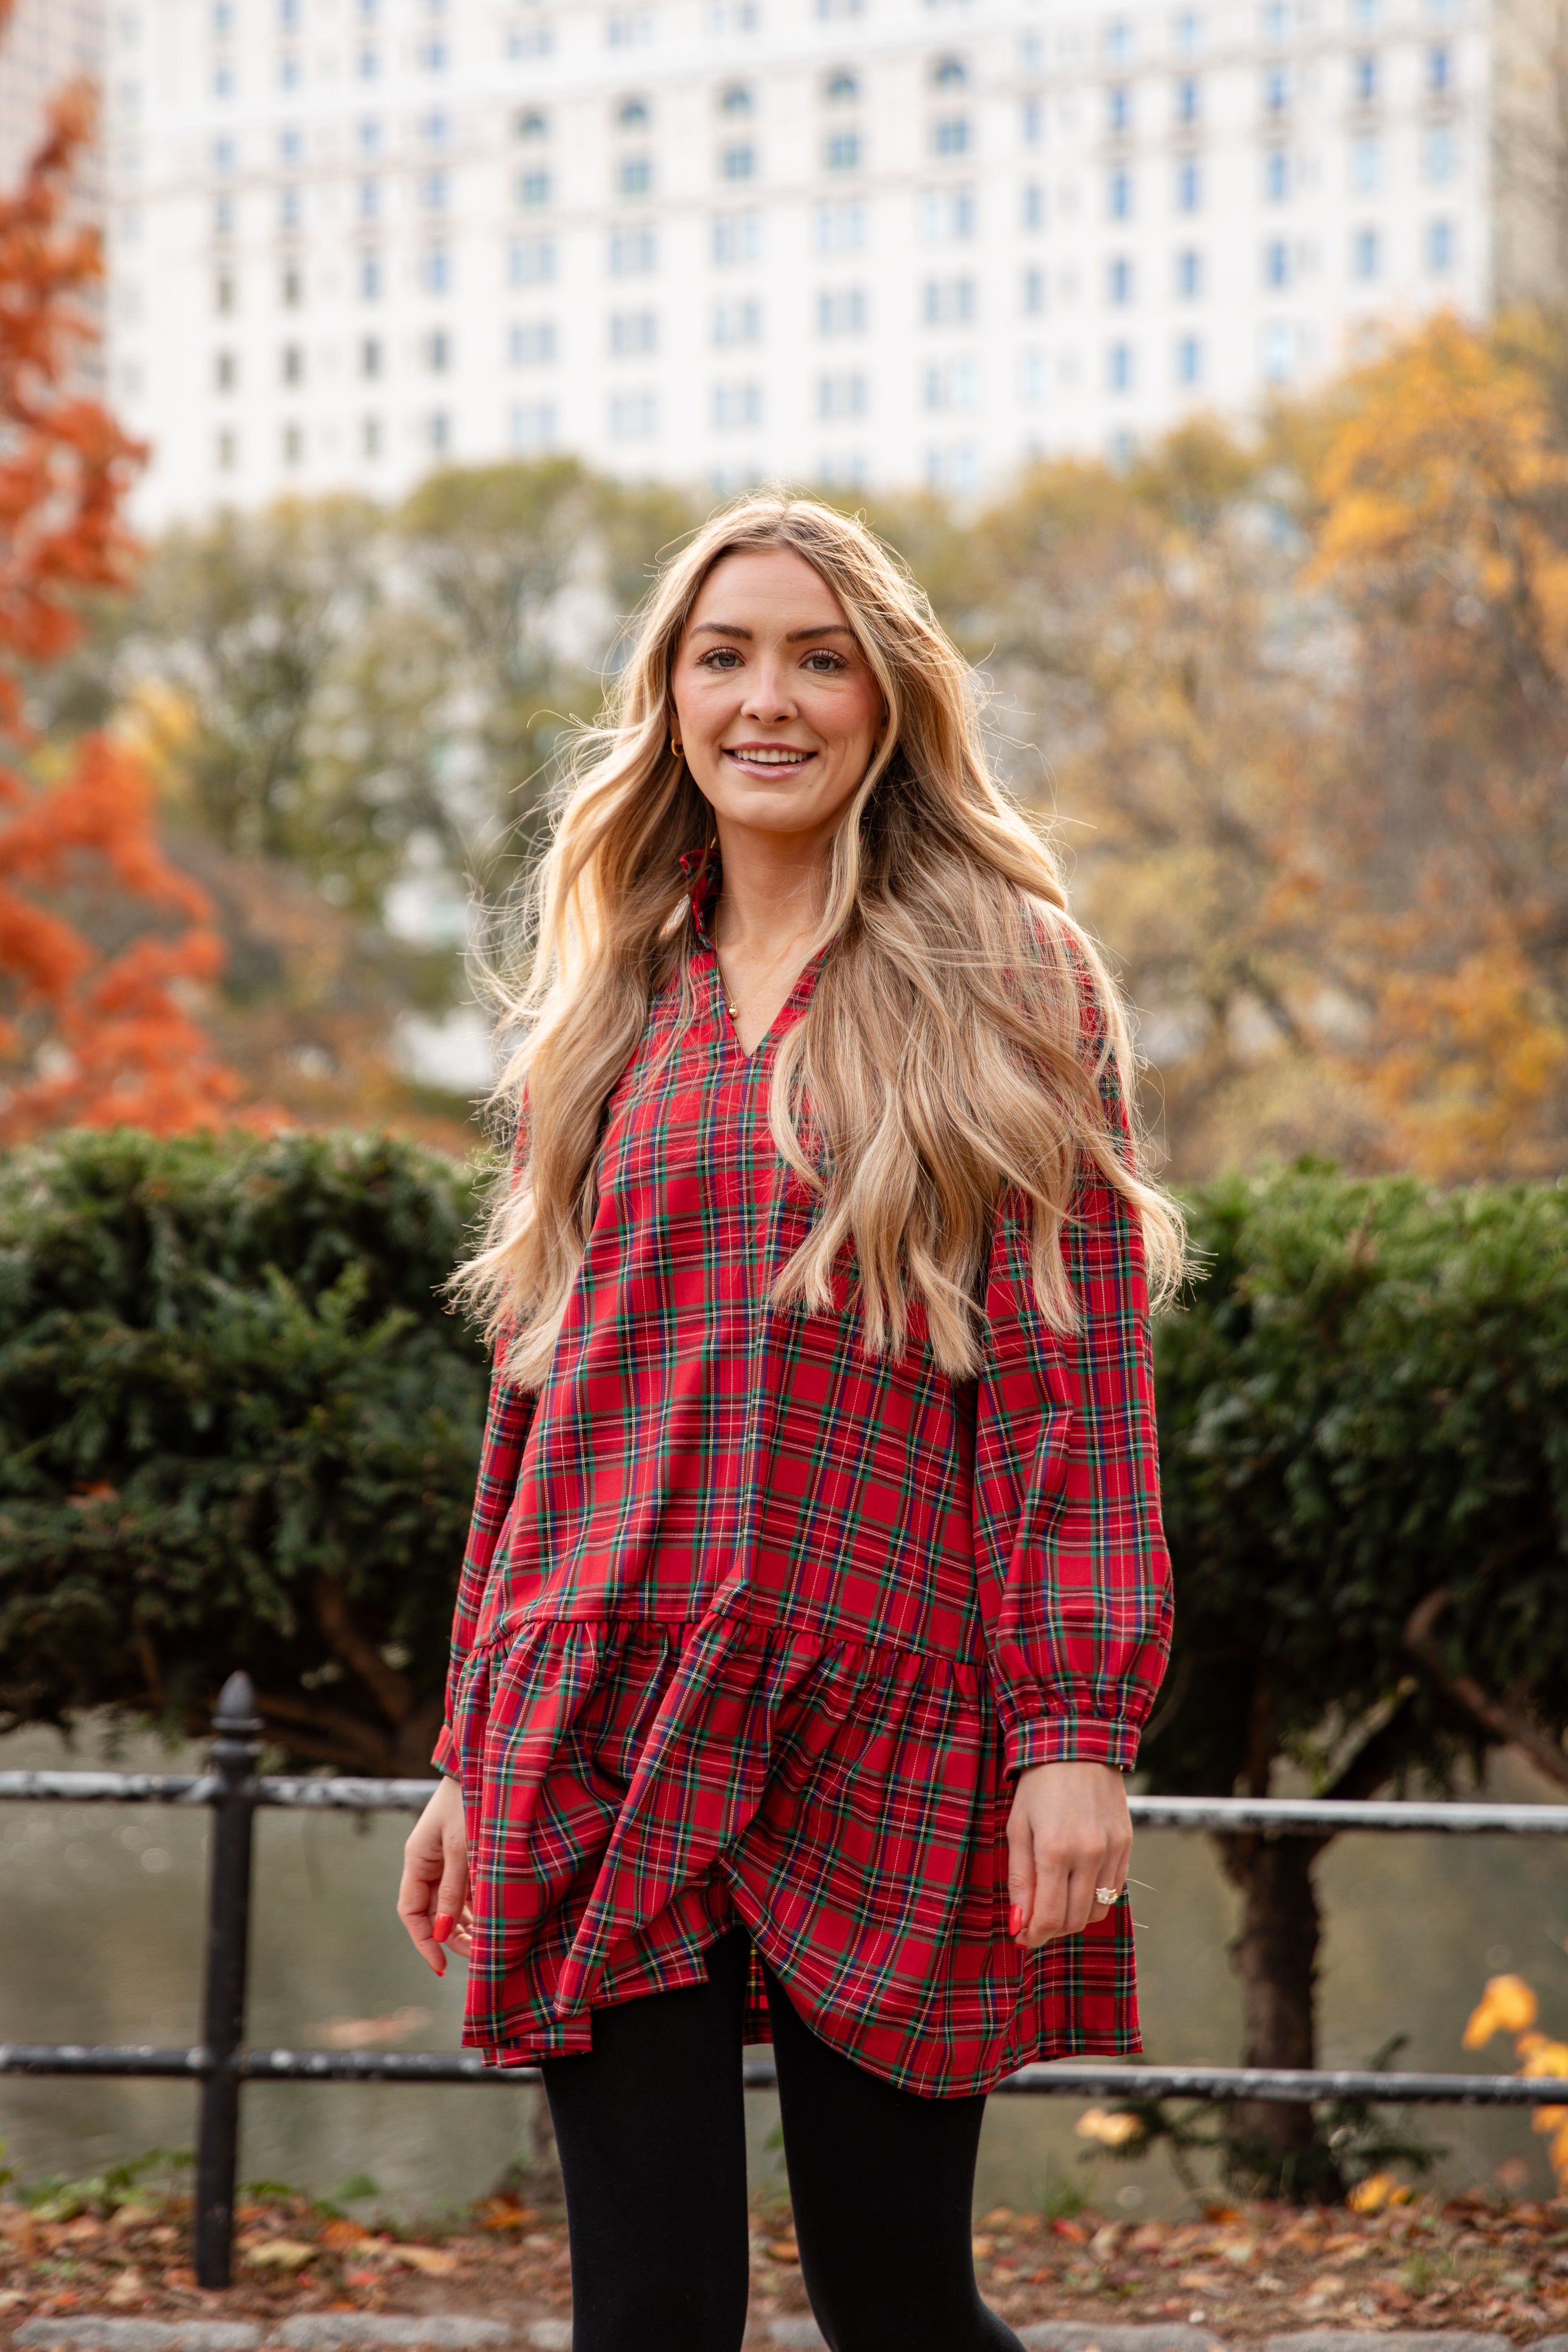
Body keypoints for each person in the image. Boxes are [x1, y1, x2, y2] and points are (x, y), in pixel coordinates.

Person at [397, 496, 1181, 2352]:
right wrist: (464, 1738)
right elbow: (534, 1404)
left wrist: (1070, 1731)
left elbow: (1071, 1386)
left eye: (818, 658)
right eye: (723, 655)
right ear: (667, 697)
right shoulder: (600, 1004)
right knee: (645, 2315)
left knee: (896, 2306)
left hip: (891, 1714)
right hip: (596, 1709)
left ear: (885, 700)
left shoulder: (1004, 972)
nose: (770, 700)